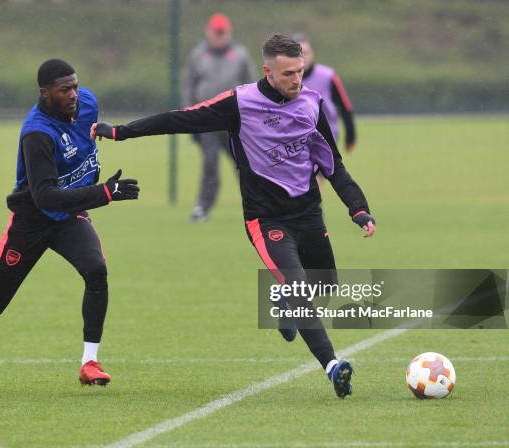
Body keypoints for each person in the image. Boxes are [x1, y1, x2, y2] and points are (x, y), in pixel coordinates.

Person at [91, 35, 376, 398]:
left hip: (308, 213)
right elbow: (182, 118)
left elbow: (333, 164)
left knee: (326, 286)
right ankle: (333, 367)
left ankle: (284, 302)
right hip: (266, 220)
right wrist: (120, 132)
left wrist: (358, 208)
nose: (297, 80)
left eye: (301, 71)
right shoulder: (240, 103)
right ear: (267, 71)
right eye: (288, 73)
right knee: (300, 286)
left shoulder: (311, 103)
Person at [0, 59, 140, 391]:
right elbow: (45, 197)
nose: (73, 94)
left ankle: (90, 362)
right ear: (45, 93)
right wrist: (103, 193)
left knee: (96, 270)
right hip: (32, 221)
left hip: (70, 216)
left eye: (74, 85)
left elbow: (83, 145)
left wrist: (98, 164)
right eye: (64, 89)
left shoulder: (88, 102)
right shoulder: (37, 133)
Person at [182, 12, 258, 222]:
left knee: (244, 162)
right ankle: (203, 207)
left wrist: (250, 117)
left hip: (234, 120)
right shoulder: (198, 55)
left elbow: (251, 86)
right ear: (209, 32)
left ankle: (257, 204)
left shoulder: (240, 55)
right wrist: (190, 115)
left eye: (222, 33)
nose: (219, 37)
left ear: (229, 32)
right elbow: (189, 86)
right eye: (216, 33)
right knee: (210, 163)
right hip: (207, 120)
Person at [293, 33, 356, 151]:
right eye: (297, 54)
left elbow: (345, 106)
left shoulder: (328, 76)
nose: (302, 57)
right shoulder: (284, 79)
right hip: (296, 142)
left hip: (327, 139)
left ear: (312, 54)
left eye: (305, 53)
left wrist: (350, 136)